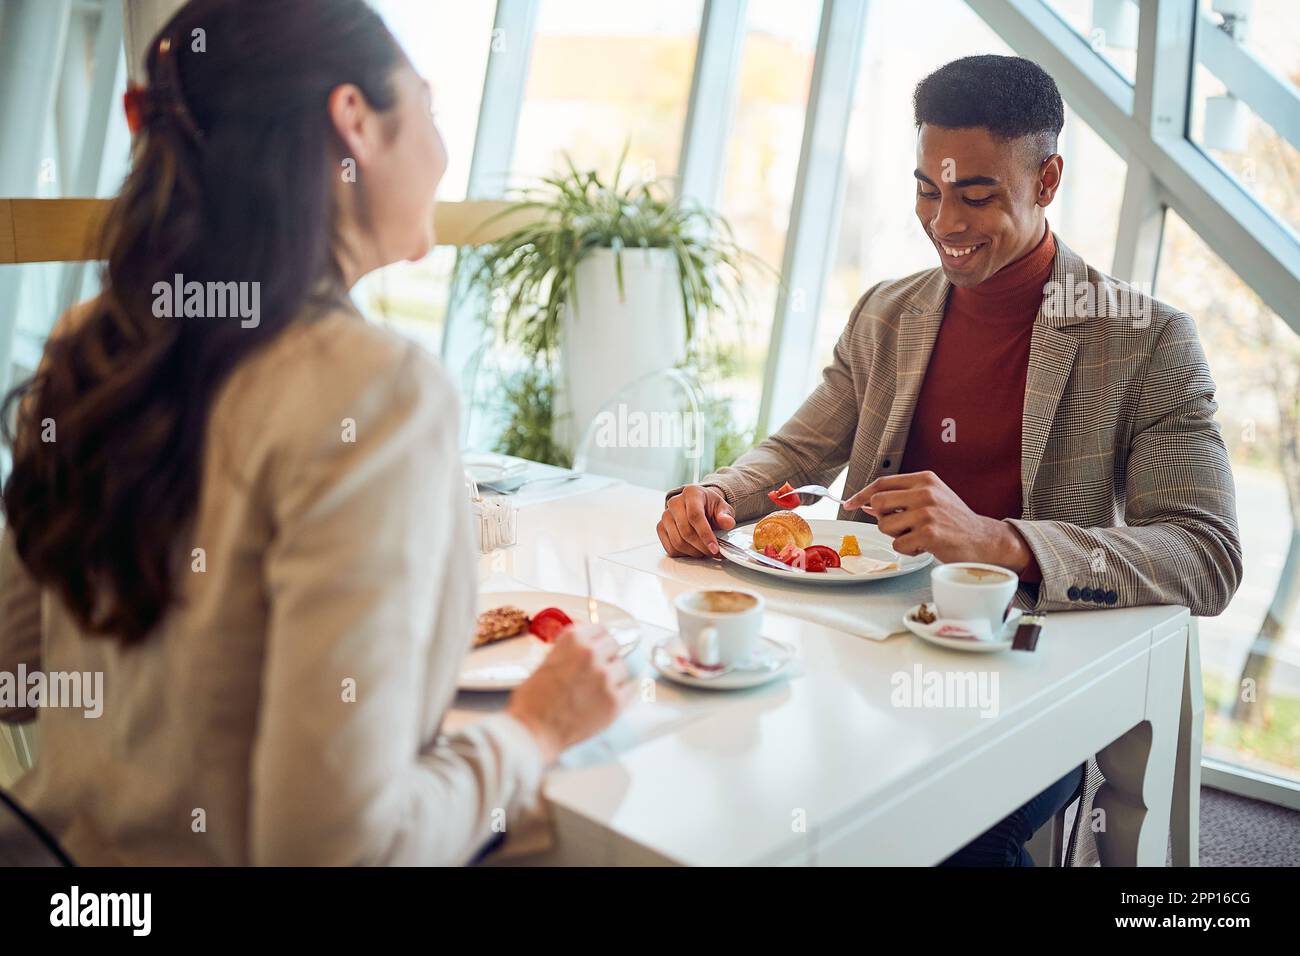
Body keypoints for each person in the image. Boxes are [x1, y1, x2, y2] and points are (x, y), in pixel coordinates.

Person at [0, 0, 631, 866]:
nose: (445, 154)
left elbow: (17, 665)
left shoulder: (98, 346)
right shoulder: (376, 392)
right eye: (433, 109)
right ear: (355, 123)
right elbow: (336, 851)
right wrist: (532, 731)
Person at [657, 55, 1242, 866]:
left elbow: (1207, 555)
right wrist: (716, 492)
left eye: (976, 195)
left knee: (950, 843)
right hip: (859, 651)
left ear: (1047, 180)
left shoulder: (1146, 341)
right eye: (929, 191)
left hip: (1026, 672)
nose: (944, 223)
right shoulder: (887, 311)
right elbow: (799, 447)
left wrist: (1000, 541)